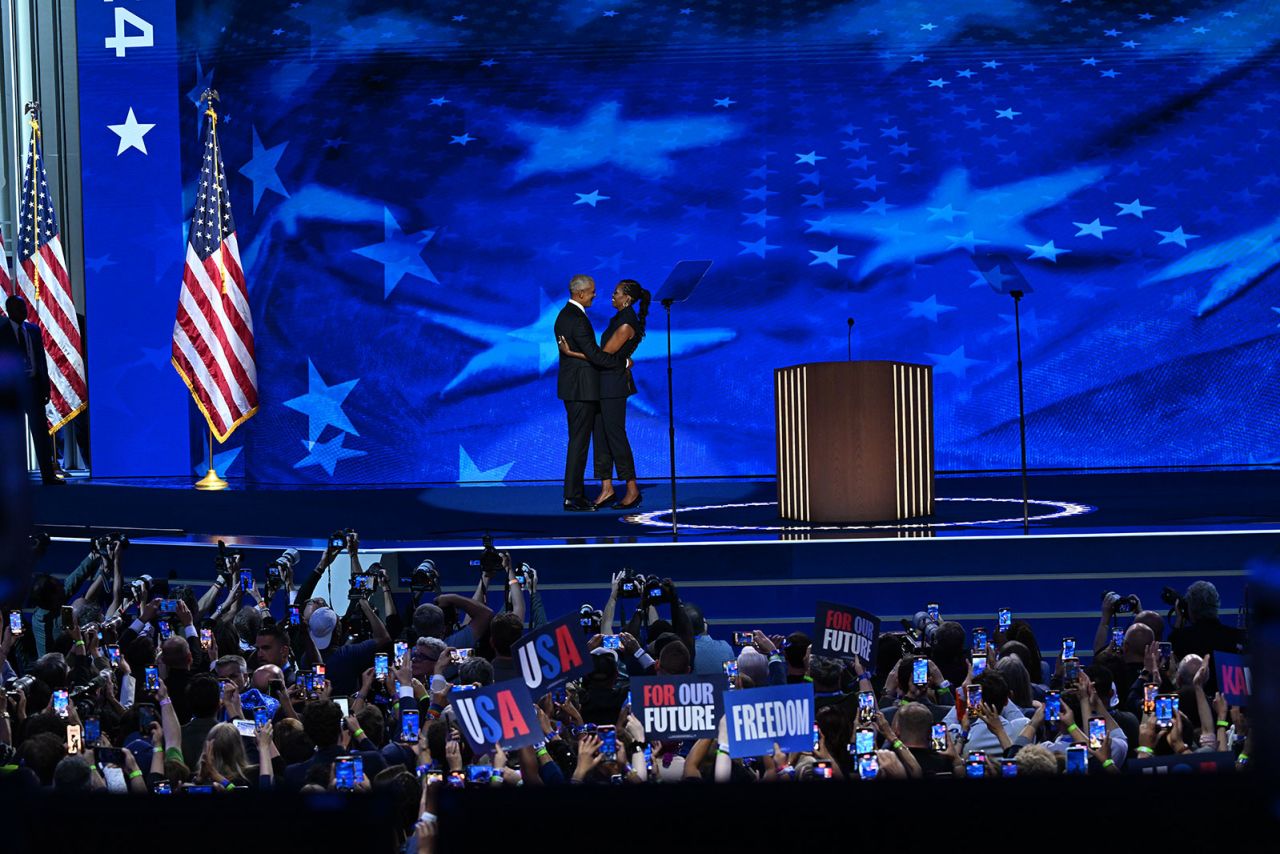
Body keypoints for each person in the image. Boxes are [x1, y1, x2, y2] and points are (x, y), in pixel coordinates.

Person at [558, 278, 650, 509]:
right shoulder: (618, 318)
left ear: (627, 299)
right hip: (601, 385)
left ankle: (632, 489)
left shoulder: (626, 323)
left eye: (616, 292)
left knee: (615, 437)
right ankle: (607, 488)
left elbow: (603, 356)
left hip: (613, 387)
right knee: (601, 438)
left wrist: (571, 353)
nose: (611, 295)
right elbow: (602, 357)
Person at [552, 274, 626, 512]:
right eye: (592, 291)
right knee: (579, 444)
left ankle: (575, 494)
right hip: (581, 391)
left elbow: (581, 352)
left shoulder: (566, 315)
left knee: (579, 443)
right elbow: (594, 355)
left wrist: (572, 354)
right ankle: (573, 497)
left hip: (577, 389)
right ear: (581, 293)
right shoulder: (577, 319)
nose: (595, 294)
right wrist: (621, 363)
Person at [1, 294, 59, 484]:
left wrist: (46, 388)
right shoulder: (1, 330)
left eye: (25, 307)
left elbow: (41, 361)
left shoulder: (33, 330)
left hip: (33, 386)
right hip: (11, 390)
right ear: (10, 311)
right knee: (13, 435)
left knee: (41, 434)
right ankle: (14, 479)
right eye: (20, 308)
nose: (25, 311)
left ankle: (48, 476)